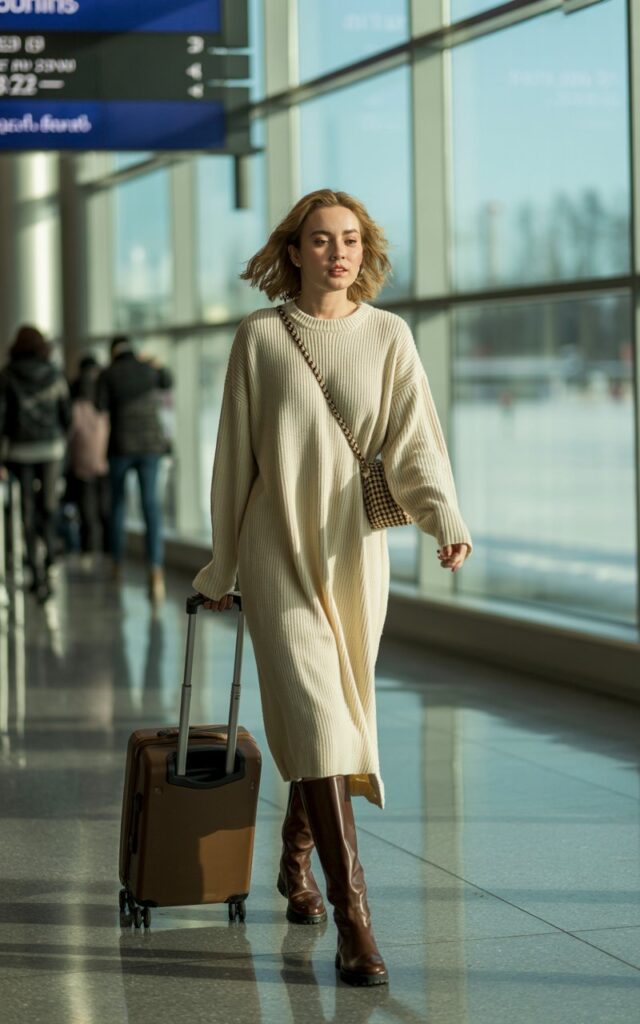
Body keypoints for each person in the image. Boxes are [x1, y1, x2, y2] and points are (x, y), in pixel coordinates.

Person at [193, 189, 472, 986]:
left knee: (337, 712)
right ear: (294, 251)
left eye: (349, 239)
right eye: (320, 240)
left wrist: (444, 517)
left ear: (363, 249)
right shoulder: (261, 338)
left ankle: (296, 855)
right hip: (275, 549)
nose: (337, 253)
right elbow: (232, 464)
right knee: (318, 715)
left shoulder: (389, 335)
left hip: (354, 555)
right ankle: (356, 918)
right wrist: (222, 565)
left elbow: (416, 441)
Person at [96, 336, 172, 603]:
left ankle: (117, 566)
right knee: (150, 505)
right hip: (151, 444)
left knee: (118, 504)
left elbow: (99, 405)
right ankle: (156, 570)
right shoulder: (147, 369)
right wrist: (156, 365)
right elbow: (167, 381)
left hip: (121, 446)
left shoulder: (108, 374)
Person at [0, 324, 72, 603]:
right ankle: (51, 556)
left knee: (26, 511)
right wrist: (61, 437)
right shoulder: (54, 374)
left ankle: (37, 572)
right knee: (49, 506)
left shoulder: (7, 376)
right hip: (51, 448)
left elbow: (2, 416)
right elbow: (66, 413)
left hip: (19, 451)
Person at [67, 355, 110, 562]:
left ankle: (89, 551)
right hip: (103, 462)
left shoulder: (75, 404)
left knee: (87, 511)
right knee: (104, 509)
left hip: (81, 463)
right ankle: (105, 551)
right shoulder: (105, 403)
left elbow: (70, 434)